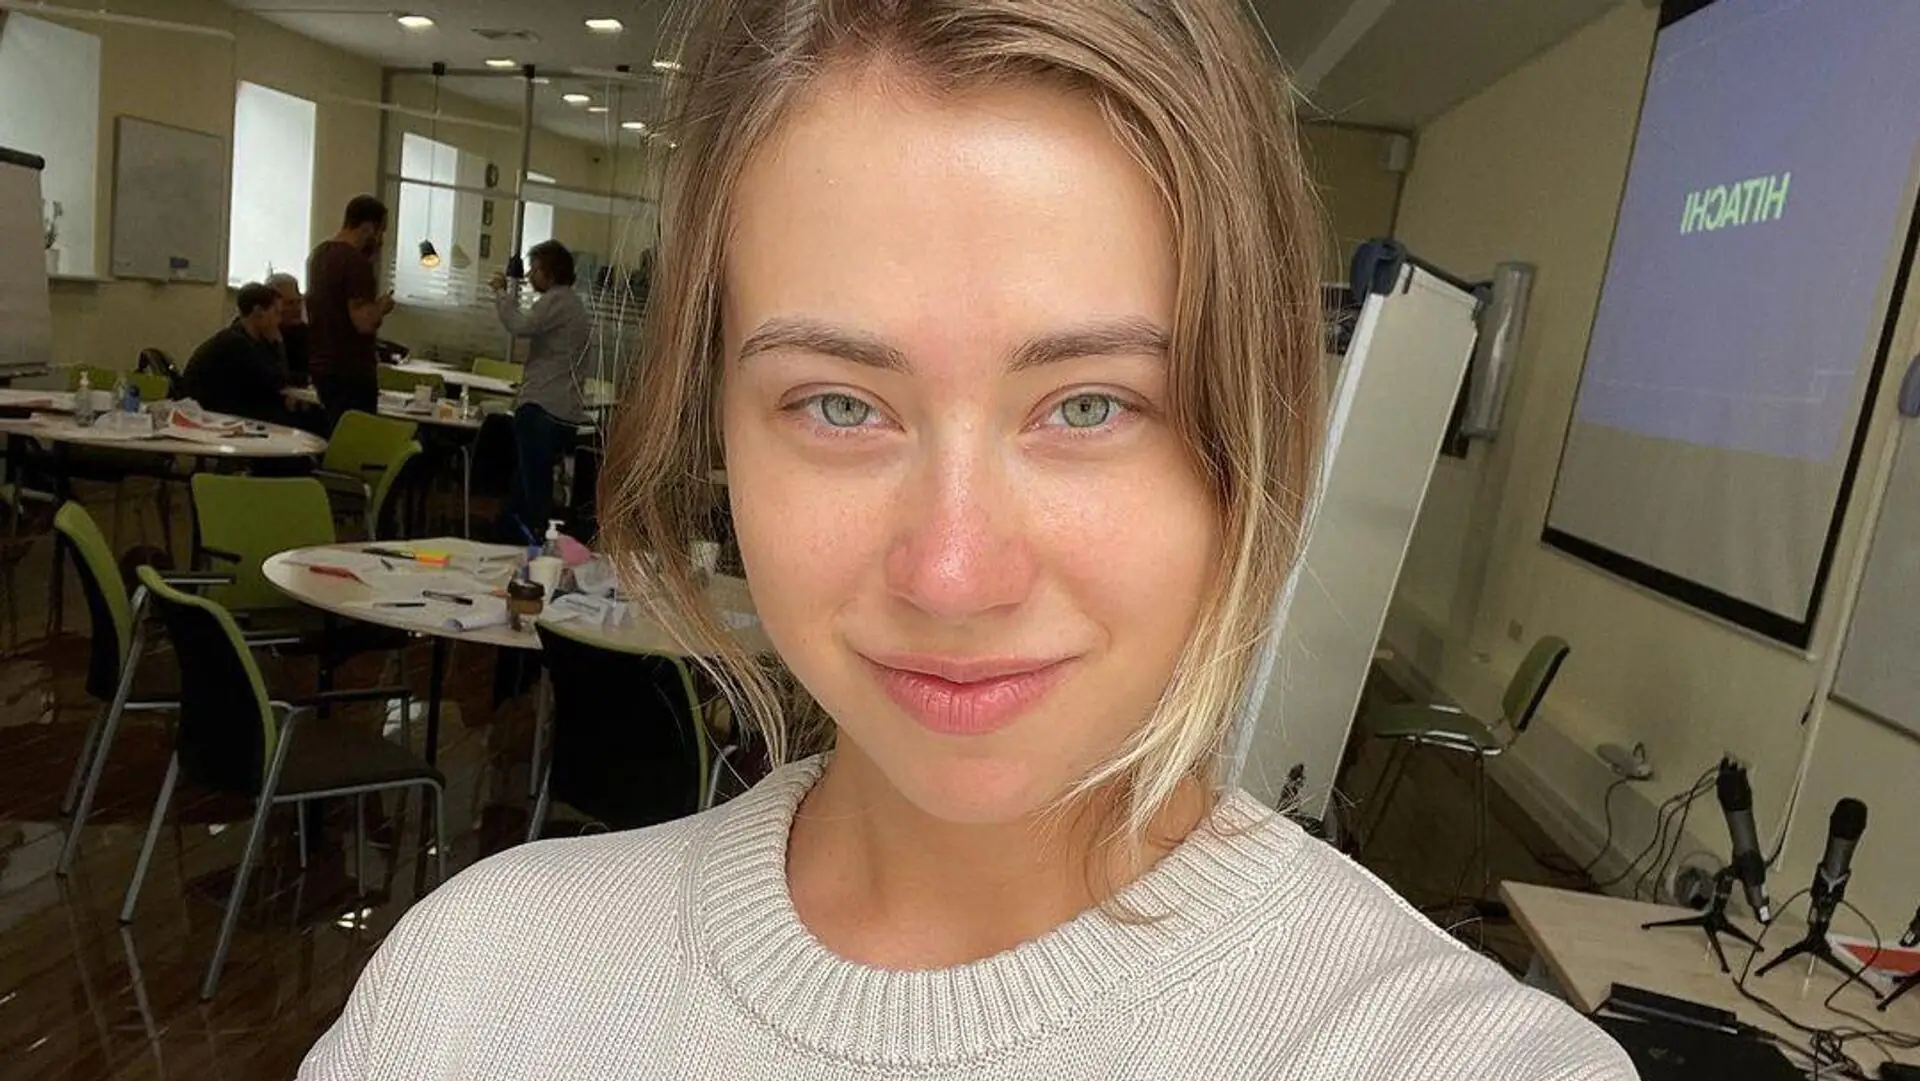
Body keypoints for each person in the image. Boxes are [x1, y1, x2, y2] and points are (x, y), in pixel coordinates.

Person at [301, 2, 1633, 1079]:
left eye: (1090, 405)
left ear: (1258, 434)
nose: (952, 573)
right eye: (840, 404)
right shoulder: (469, 991)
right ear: (721, 423)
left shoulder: (1452, 1058)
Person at [489, 239, 591, 540]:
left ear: (550, 272)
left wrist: (501, 294)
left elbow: (520, 326)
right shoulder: (574, 306)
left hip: (542, 408)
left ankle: (533, 539)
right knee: (525, 484)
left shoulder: (556, 301)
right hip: (564, 410)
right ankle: (509, 537)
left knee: (533, 487)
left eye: (535, 269)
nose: (530, 275)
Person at [307, 195, 393, 432]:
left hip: (321, 364)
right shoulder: (355, 263)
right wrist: (382, 307)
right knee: (358, 438)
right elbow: (363, 322)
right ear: (368, 228)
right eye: (380, 232)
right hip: (350, 369)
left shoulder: (319, 255)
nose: (380, 241)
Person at [177, 282, 293, 424]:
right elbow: (277, 381)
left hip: (220, 410)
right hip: (210, 416)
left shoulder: (245, 337)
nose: (279, 321)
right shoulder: (236, 343)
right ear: (258, 312)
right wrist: (278, 343)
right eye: (276, 313)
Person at [266, 271, 311, 387]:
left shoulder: (306, 334)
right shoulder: (261, 334)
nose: (297, 308)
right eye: (289, 303)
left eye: (299, 302)